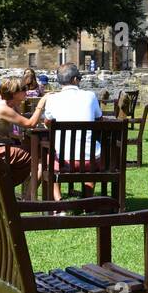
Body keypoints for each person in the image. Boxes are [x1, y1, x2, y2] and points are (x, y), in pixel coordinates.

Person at [44, 62, 103, 200]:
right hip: (90, 159)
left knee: (49, 160)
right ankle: (88, 200)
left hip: (63, 160)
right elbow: (99, 119)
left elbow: (47, 122)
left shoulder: (52, 99)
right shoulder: (90, 96)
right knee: (90, 157)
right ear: (75, 80)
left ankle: (59, 202)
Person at [0, 78, 49, 186]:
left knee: (33, 150)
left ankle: (21, 192)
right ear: (15, 93)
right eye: (24, 91)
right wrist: (41, 104)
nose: (26, 94)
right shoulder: (3, 108)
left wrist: (16, 105)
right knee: (41, 156)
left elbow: (20, 118)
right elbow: (30, 124)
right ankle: (26, 195)